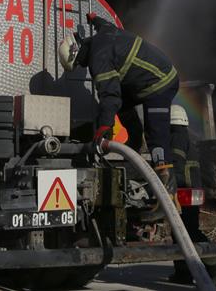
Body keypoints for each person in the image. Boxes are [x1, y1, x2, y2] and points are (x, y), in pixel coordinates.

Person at [59, 13, 180, 208]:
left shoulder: (98, 59)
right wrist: (94, 18)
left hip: (159, 84)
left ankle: (168, 195)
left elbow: (110, 96)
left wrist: (104, 128)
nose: (82, 65)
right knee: (122, 106)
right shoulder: (104, 34)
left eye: (79, 62)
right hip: (153, 78)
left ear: (78, 53)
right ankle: (133, 140)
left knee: (156, 136)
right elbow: (104, 24)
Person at [168, 105, 216, 285]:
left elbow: (175, 165)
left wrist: (168, 186)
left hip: (183, 191)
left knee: (189, 233)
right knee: (179, 233)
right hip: (189, 191)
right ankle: (183, 272)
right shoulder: (187, 136)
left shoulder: (176, 138)